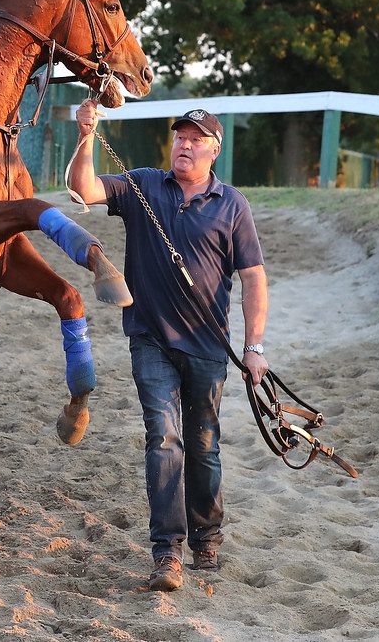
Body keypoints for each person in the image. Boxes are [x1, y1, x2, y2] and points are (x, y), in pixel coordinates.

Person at [67, 101, 270, 592]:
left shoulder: (232, 204)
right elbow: (83, 189)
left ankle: (207, 539)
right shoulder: (142, 185)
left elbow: (253, 279)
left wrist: (255, 345)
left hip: (207, 345)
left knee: (203, 446)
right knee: (163, 438)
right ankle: (167, 553)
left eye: (195, 137)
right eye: (180, 135)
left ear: (213, 149)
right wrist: (87, 133)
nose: (184, 143)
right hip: (149, 338)